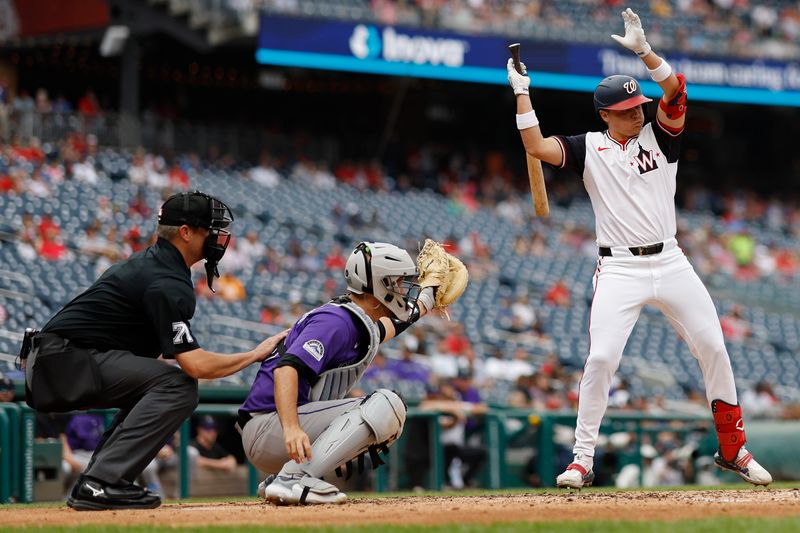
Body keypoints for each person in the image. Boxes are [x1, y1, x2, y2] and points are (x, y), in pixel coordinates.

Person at [506, 7, 771, 488]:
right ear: (606, 114)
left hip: (671, 260)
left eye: (639, 106)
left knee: (713, 345)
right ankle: (582, 460)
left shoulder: (662, 136)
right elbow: (538, 147)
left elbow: (675, 91)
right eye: (628, 110)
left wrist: (646, 53)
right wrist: (522, 93)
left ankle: (734, 449)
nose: (639, 112)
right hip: (619, 268)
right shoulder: (588, 146)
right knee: (602, 358)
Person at [20, 190, 288, 510]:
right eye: (209, 229)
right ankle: (102, 481)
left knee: (158, 383)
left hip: (61, 359)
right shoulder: (164, 279)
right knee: (178, 385)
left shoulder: (157, 265)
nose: (218, 237)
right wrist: (254, 355)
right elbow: (195, 366)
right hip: (63, 361)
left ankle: (99, 481)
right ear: (186, 232)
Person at [238, 241, 452, 505]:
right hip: (269, 426)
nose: (402, 289)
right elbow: (286, 369)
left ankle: (287, 476)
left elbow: (397, 322)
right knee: (387, 404)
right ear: (379, 285)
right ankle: (293, 479)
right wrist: (291, 429)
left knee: (388, 413)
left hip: (276, 428)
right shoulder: (336, 321)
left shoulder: (356, 321)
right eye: (397, 282)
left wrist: (428, 297)